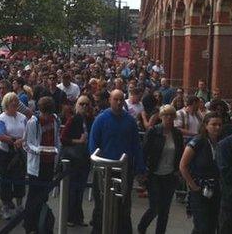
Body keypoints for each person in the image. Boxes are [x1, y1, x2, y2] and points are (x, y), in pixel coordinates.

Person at [88, 89, 146, 234]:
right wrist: (96, 163)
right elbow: (93, 144)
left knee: (124, 204)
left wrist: (140, 168)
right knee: (101, 203)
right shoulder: (101, 119)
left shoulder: (130, 121)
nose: (119, 102)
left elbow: (136, 146)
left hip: (124, 169)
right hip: (103, 169)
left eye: (121, 99)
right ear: (110, 100)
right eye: (116, 99)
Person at [138, 104, 184, 234]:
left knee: (165, 210)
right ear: (161, 117)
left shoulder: (177, 134)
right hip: (154, 174)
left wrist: (178, 171)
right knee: (155, 208)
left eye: (171, 115)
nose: (168, 118)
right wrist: (143, 172)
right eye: (166, 115)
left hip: (170, 175)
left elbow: (180, 153)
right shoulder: (153, 132)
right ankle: (142, 227)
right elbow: (144, 152)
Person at [179, 112, 223, 234]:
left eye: (220, 124)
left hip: (216, 190)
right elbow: (183, 165)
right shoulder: (198, 141)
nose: (217, 127)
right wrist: (193, 185)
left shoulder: (221, 143)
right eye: (214, 124)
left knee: (212, 225)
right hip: (199, 189)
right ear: (206, 125)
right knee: (202, 226)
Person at [23, 96, 61, 234]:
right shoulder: (33, 122)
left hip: (50, 162)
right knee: (33, 195)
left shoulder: (55, 120)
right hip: (36, 165)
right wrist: (39, 150)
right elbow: (26, 144)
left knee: (44, 195)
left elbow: (57, 139)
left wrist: (57, 152)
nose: (47, 116)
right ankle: (29, 224)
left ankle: (40, 222)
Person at [60, 95, 94, 227]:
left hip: (85, 158)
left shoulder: (90, 119)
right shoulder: (73, 120)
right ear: (76, 105)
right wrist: (78, 141)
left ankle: (78, 217)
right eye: (81, 104)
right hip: (73, 159)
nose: (84, 107)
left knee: (80, 189)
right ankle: (69, 217)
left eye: (86, 104)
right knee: (73, 189)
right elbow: (63, 138)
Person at [0, 92, 27, 220]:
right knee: (6, 180)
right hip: (6, 154)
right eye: (11, 101)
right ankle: (6, 207)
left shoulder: (22, 117)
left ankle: (19, 206)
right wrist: (15, 141)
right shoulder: (1, 118)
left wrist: (22, 141)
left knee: (20, 179)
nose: (14, 103)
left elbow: (27, 132)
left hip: (19, 153)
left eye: (15, 100)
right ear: (6, 104)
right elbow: (1, 135)